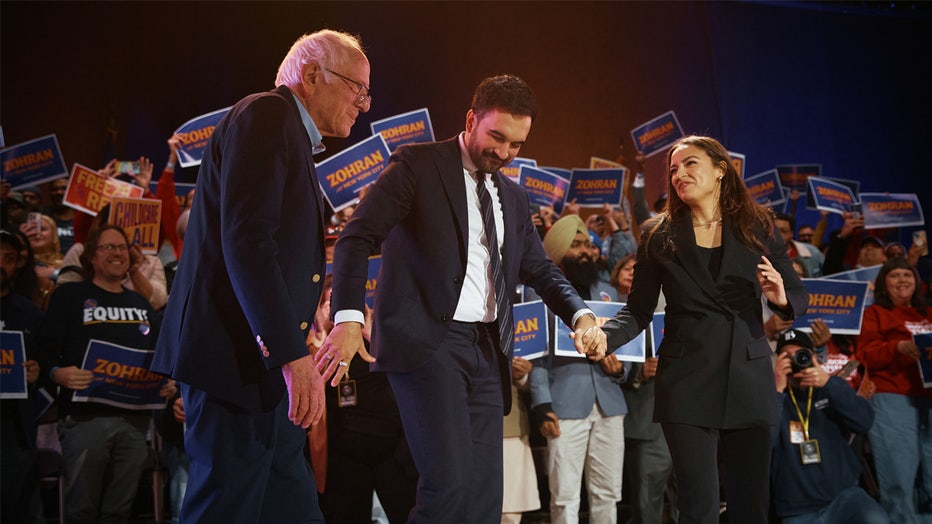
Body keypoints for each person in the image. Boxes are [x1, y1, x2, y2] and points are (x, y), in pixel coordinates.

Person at [320, 74, 606, 524]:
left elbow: (541, 269)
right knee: (448, 489)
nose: (505, 152)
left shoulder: (513, 195)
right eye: (496, 136)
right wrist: (348, 317)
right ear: (471, 119)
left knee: (485, 497)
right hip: (429, 345)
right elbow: (357, 237)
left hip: (489, 351)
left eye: (517, 144)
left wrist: (582, 315)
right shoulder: (416, 164)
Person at [149, 30, 371, 523]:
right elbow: (249, 240)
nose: (363, 102)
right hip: (234, 369)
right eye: (357, 87)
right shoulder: (267, 115)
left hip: (264, 375)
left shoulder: (286, 132)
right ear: (312, 77)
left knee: (292, 510)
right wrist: (292, 355)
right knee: (224, 508)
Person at [600, 135, 808, 523]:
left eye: (690, 163)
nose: (679, 174)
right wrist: (603, 336)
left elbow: (796, 292)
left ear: (720, 169)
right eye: (673, 169)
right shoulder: (658, 235)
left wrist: (780, 297)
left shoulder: (756, 224)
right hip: (687, 381)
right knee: (697, 505)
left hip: (747, 376)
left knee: (750, 507)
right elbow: (637, 311)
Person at [36, 223, 170, 523]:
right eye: (108, 247)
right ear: (91, 257)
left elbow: (159, 357)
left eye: (122, 247)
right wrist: (57, 373)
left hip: (135, 422)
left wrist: (166, 384)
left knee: (119, 511)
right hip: (85, 419)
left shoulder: (141, 304)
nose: (117, 253)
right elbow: (42, 351)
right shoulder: (70, 295)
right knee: (81, 510)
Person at [530, 214, 628, 524]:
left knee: (608, 493)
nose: (585, 251)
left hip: (610, 406)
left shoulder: (608, 294)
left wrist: (619, 369)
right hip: (564, 405)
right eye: (575, 245)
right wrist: (542, 404)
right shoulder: (539, 295)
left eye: (587, 244)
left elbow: (624, 348)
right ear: (557, 251)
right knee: (565, 496)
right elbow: (535, 357)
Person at [771, 329, 888, 524]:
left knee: (876, 519)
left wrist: (828, 382)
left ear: (814, 357)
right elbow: (765, 444)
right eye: (787, 357)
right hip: (798, 508)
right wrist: (777, 390)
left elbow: (864, 421)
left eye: (801, 355)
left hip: (843, 497)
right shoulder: (775, 399)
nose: (795, 361)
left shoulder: (828, 390)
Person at [857, 257, 932, 522]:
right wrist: (897, 348)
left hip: (929, 400)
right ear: (883, 284)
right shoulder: (875, 314)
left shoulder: (929, 314)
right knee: (899, 478)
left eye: (907, 275)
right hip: (894, 398)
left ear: (917, 281)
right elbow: (865, 354)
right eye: (894, 275)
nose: (902, 280)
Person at [0, 229, 45, 523]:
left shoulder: (31, 315)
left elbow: (48, 369)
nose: (1, 264)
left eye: (9, 258)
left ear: (18, 265)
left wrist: (38, 372)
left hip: (14, 435)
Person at [775, 212, 824, 277]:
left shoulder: (812, 252)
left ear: (791, 234)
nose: (778, 235)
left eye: (784, 231)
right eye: (775, 231)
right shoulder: (761, 254)